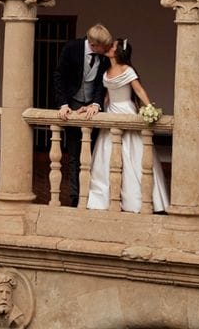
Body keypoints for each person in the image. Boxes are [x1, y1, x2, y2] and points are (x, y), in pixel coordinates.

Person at [87, 37, 169, 213]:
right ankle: (103, 198)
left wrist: (149, 108)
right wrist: (96, 107)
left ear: (118, 51)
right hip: (111, 111)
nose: (109, 47)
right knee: (107, 153)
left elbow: (139, 90)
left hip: (126, 111)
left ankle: (136, 199)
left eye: (113, 46)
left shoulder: (127, 69)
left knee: (132, 153)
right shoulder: (106, 70)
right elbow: (107, 95)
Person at [53, 23, 113, 207]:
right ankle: (75, 196)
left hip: (91, 106)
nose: (107, 50)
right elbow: (59, 76)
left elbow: (100, 83)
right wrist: (63, 104)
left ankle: (91, 195)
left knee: (93, 151)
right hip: (72, 102)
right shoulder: (72, 48)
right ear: (94, 44)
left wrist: (96, 103)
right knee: (74, 153)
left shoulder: (103, 58)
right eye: (104, 47)